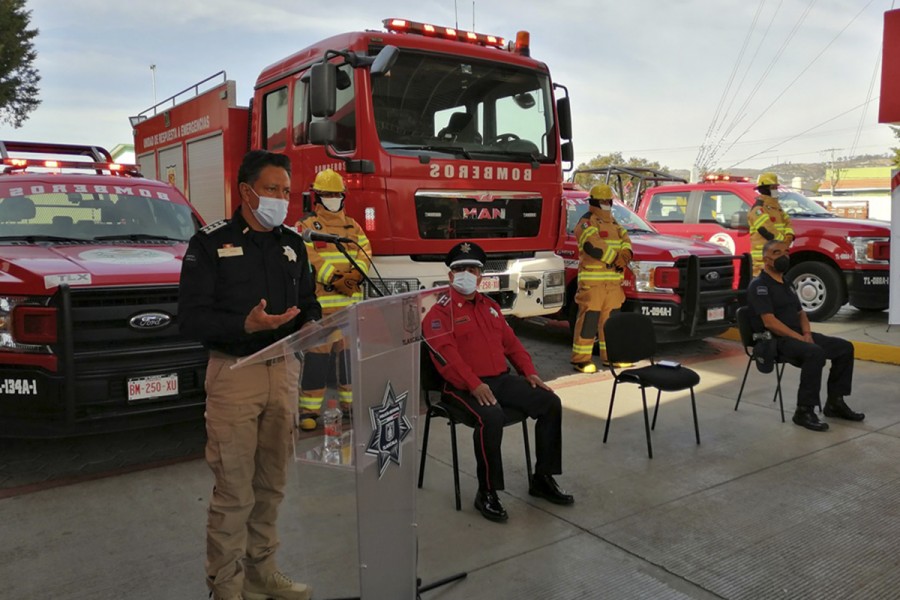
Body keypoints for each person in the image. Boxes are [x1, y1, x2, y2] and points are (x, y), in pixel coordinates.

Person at [179, 150, 321, 600]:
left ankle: (262, 572)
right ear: (246, 191)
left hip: (283, 372)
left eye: (286, 191)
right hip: (234, 374)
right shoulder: (209, 243)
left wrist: (315, 324)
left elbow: (309, 301)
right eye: (273, 189)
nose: (282, 199)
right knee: (235, 491)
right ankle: (226, 587)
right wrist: (245, 325)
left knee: (271, 484)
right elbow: (191, 318)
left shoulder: (292, 245)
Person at [424, 241, 574, 523]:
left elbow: (513, 345)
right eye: (460, 269)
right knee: (491, 417)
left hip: (499, 381)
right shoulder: (439, 314)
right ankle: (487, 492)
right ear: (450, 276)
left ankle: (542, 478)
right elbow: (447, 358)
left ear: (481, 276)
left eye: (472, 269)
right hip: (460, 388)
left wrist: (529, 372)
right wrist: (473, 385)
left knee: (549, 401)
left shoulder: (490, 307)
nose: (466, 274)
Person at [746, 240, 864, 432]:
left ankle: (835, 402)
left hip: (798, 336)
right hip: (773, 340)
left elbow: (801, 313)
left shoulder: (787, 283)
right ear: (766, 259)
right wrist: (799, 338)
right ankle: (804, 411)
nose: (783, 256)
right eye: (777, 253)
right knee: (814, 353)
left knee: (844, 347)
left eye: (786, 252)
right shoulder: (760, 286)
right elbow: (770, 322)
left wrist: (807, 333)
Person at [295, 168, 371, 431]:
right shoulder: (307, 227)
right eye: (327, 194)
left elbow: (365, 253)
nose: (333, 198)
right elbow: (309, 257)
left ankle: (349, 405)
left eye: (336, 194)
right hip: (323, 310)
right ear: (317, 196)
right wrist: (335, 278)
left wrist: (355, 277)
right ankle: (309, 411)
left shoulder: (354, 226)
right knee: (316, 362)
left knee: (349, 360)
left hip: (351, 308)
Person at [570, 183, 633, 372]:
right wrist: (616, 258)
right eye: (603, 201)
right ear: (595, 201)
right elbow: (593, 245)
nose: (607, 203)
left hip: (613, 284)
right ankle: (581, 360)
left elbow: (626, 240)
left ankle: (611, 358)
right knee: (589, 320)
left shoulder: (614, 223)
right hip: (593, 284)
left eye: (609, 200)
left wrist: (626, 255)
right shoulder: (586, 222)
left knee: (611, 322)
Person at [749, 172, 794, 276]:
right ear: (765, 188)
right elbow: (767, 230)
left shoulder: (776, 207)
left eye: (776, 187)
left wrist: (789, 235)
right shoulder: (758, 209)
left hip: (777, 255)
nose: (776, 190)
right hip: (762, 258)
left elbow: (787, 221)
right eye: (773, 187)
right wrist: (783, 242)